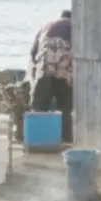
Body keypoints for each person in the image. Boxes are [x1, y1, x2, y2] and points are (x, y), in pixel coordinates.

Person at [29, 9, 73, 143]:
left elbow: (33, 53)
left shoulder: (46, 26)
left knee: (39, 104)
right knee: (65, 103)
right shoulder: (74, 25)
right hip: (63, 65)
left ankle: (37, 138)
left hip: (45, 64)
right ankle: (65, 139)